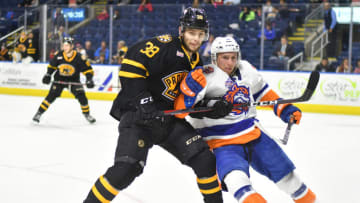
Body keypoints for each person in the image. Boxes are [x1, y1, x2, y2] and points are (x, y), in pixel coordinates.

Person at [83, 7, 225, 203]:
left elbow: (188, 100)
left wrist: (211, 107)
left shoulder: (197, 61)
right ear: (181, 31)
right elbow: (132, 62)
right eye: (192, 33)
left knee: (205, 160)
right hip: (139, 118)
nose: (196, 39)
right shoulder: (165, 46)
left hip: (168, 121)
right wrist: (144, 101)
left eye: (201, 34)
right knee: (127, 169)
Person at [177, 36, 317, 203]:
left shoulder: (246, 69)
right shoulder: (204, 75)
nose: (230, 62)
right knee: (237, 182)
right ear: (214, 57)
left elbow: (263, 93)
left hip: (254, 135)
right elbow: (181, 111)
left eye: (233, 57)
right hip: (221, 143)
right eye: (225, 57)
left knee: (291, 181)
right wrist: (194, 97)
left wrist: (285, 110)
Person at [32, 37, 96, 124]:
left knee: (82, 97)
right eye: (64, 45)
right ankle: (38, 113)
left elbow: (88, 70)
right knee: (51, 96)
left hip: (73, 80)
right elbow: (52, 66)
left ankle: (87, 114)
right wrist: (48, 75)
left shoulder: (79, 57)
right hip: (59, 80)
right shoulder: (59, 55)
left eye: (67, 45)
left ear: (72, 46)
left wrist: (89, 79)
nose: (65, 47)